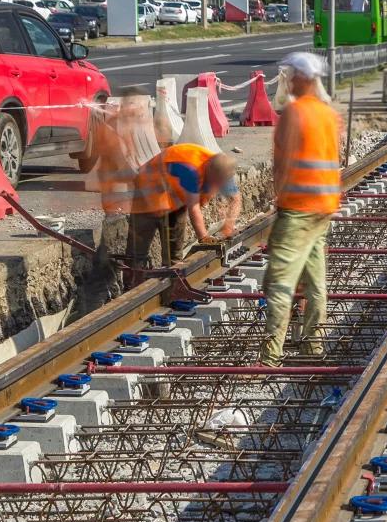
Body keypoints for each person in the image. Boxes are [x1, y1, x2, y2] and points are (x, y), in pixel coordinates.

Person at [259, 52, 342, 367]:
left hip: (296, 209)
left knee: (280, 283)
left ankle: (270, 357)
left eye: (293, 75)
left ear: (304, 79)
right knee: (316, 281)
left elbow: (280, 167)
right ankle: (312, 346)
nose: (290, 80)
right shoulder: (328, 114)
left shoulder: (293, 114)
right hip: (323, 209)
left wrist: (278, 200)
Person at [126, 143, 240, 269]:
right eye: (214, 182)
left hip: (173, 195)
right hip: (147, 189)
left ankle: (173, 276)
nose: (217, 186)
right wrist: (204, 238)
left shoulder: (222, 169)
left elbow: (235, 199)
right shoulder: (190, 171)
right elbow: (193, 207)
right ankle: (133, 281)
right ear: (209, 170)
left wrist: (229, 225)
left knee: (174, 256)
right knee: (138, 251)